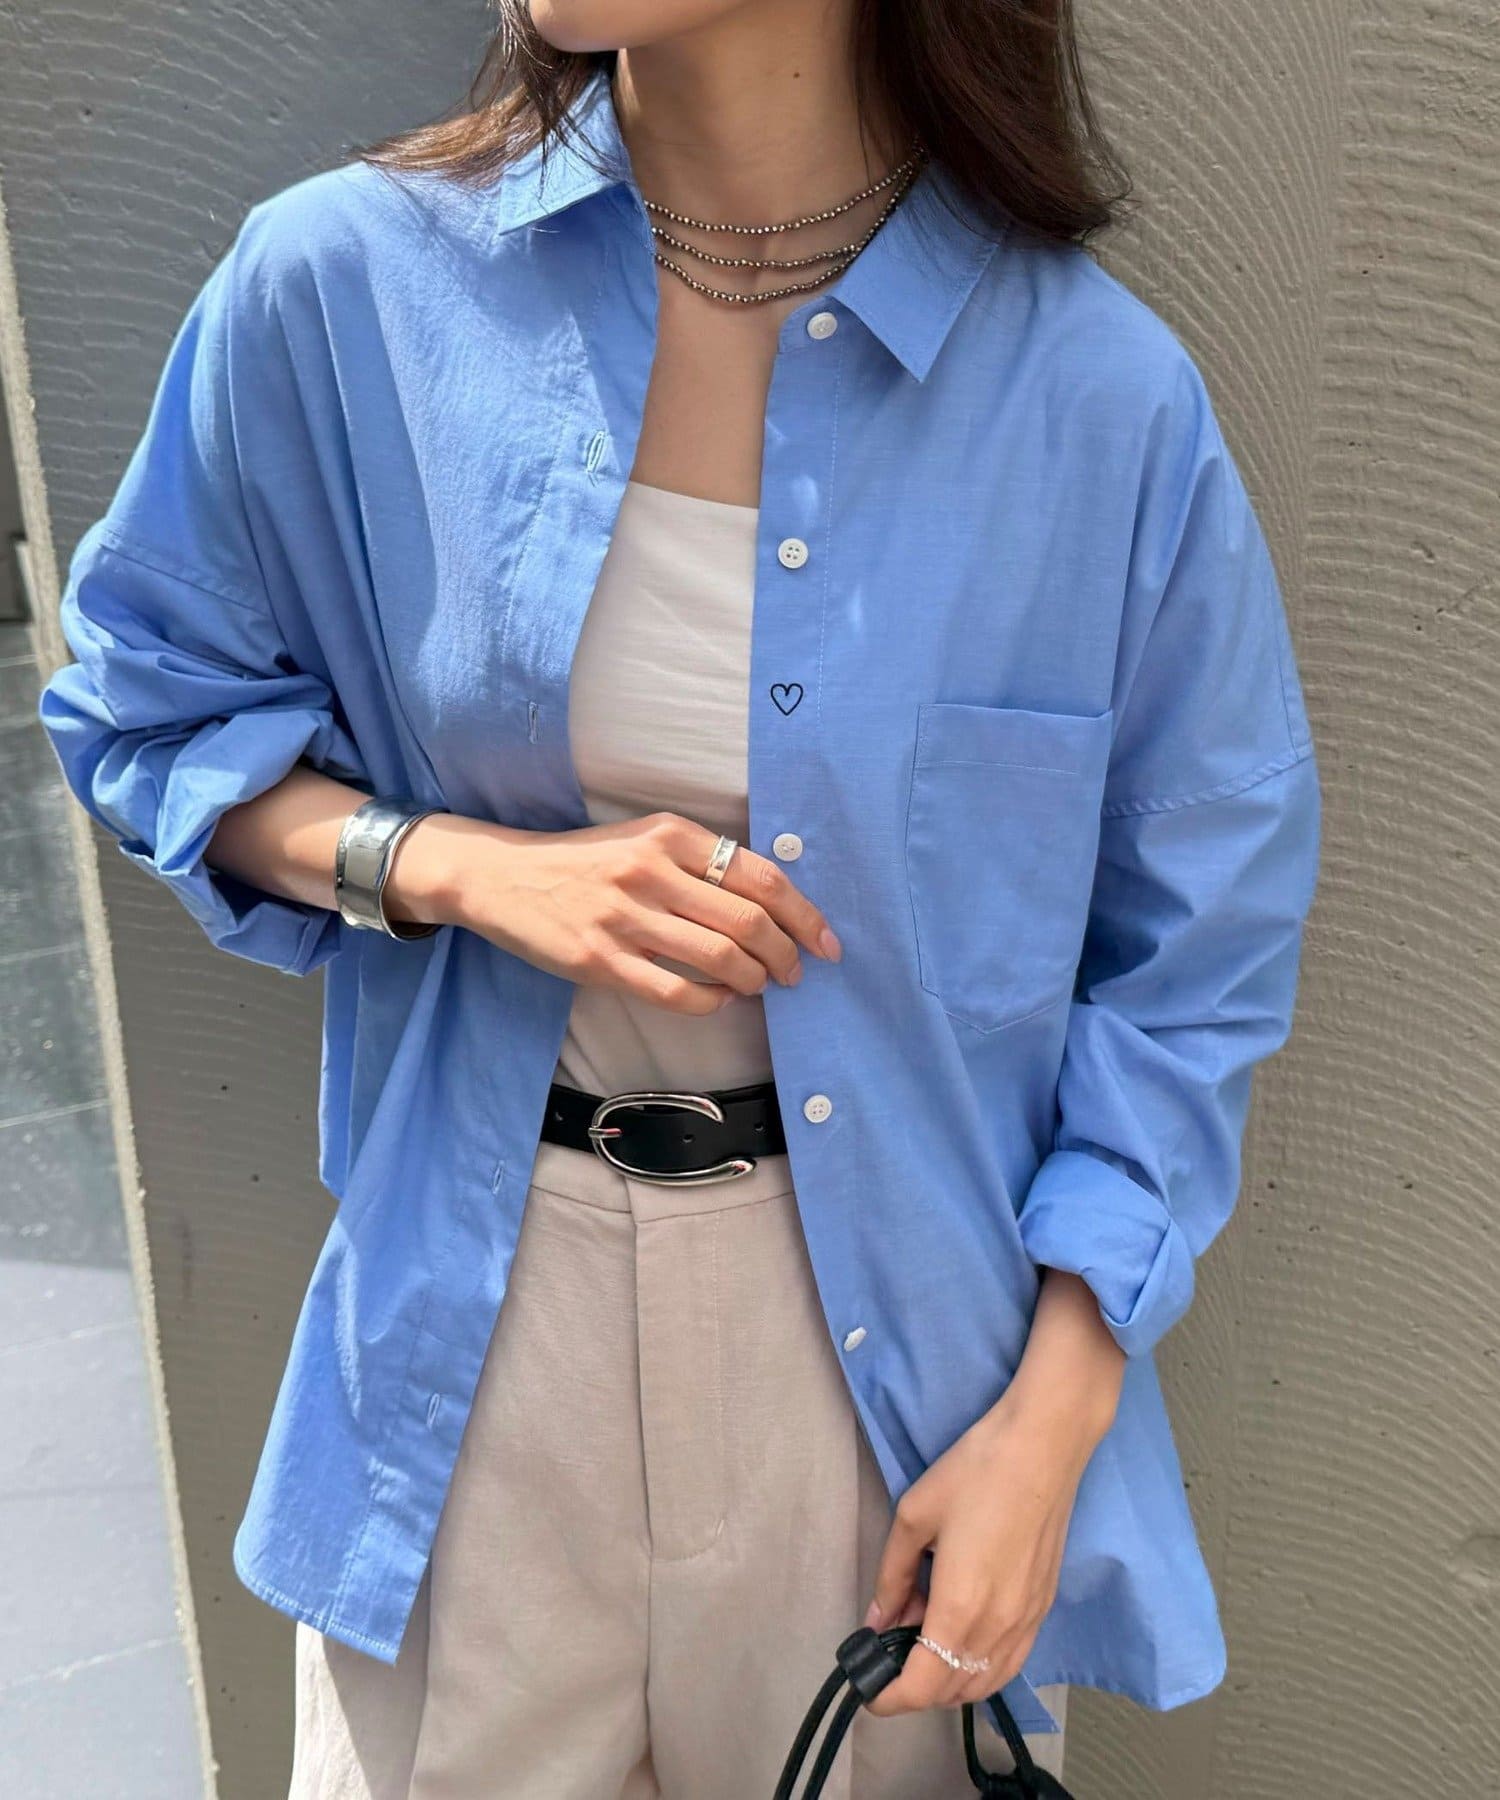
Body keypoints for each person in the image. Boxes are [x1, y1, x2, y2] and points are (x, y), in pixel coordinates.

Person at [35, 2, 1322, 1796]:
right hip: (477, 1341)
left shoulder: (1096, 403)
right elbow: (143, 708)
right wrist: (457, 867)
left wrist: (1056, 1418)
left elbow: (1196, 961)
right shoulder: (343, 287)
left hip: (895, 1393)